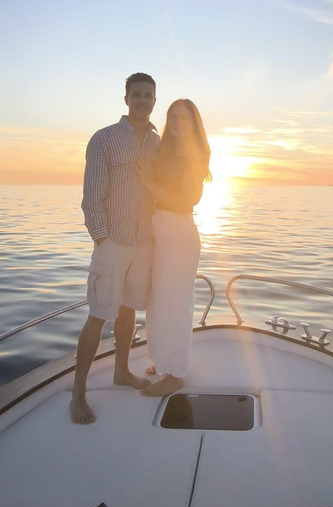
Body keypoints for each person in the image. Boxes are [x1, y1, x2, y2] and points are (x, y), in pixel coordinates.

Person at [70, 72, 161, 424]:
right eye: (136, 95)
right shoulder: (104, 139)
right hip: (113, 241)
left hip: (144, 241)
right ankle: (79, 393)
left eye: (148, 95)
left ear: (155, 100)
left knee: (128, 309)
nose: (142, 101)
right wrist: (102, 239)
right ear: (126, 99)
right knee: (98, 313)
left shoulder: (157, 142)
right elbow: (91, 197)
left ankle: (121, 370)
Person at [135, 99, 211, 397]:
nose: (178, 121)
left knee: (175, 306)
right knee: (158, 302)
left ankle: (176, 374)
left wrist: (146, 182)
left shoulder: (196, 153)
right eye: (173, 116)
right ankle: (162, 359)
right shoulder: (165, 149)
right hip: (159, 229)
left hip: (178, 233)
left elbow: (185, 201)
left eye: (185, 117)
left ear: (194, 122)